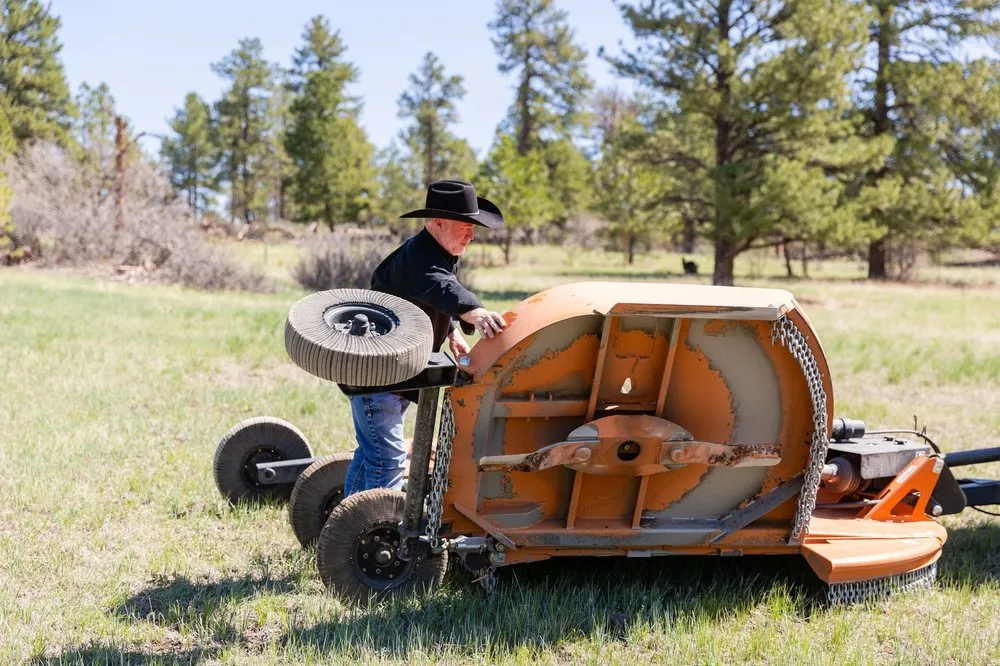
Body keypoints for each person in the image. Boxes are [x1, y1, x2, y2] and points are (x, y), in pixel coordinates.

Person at [344, 179, 509, 496]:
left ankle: (344, 529)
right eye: (465, 226)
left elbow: (424, 296)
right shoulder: (420, 256)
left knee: (370, 458)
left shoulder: (437, 251)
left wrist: (451, 330)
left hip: (390, 375)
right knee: (388, 461)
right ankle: (376, 532)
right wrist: (473, 311)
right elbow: (439, 286)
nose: (471, 235)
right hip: (378, 377)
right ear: (437, 222)